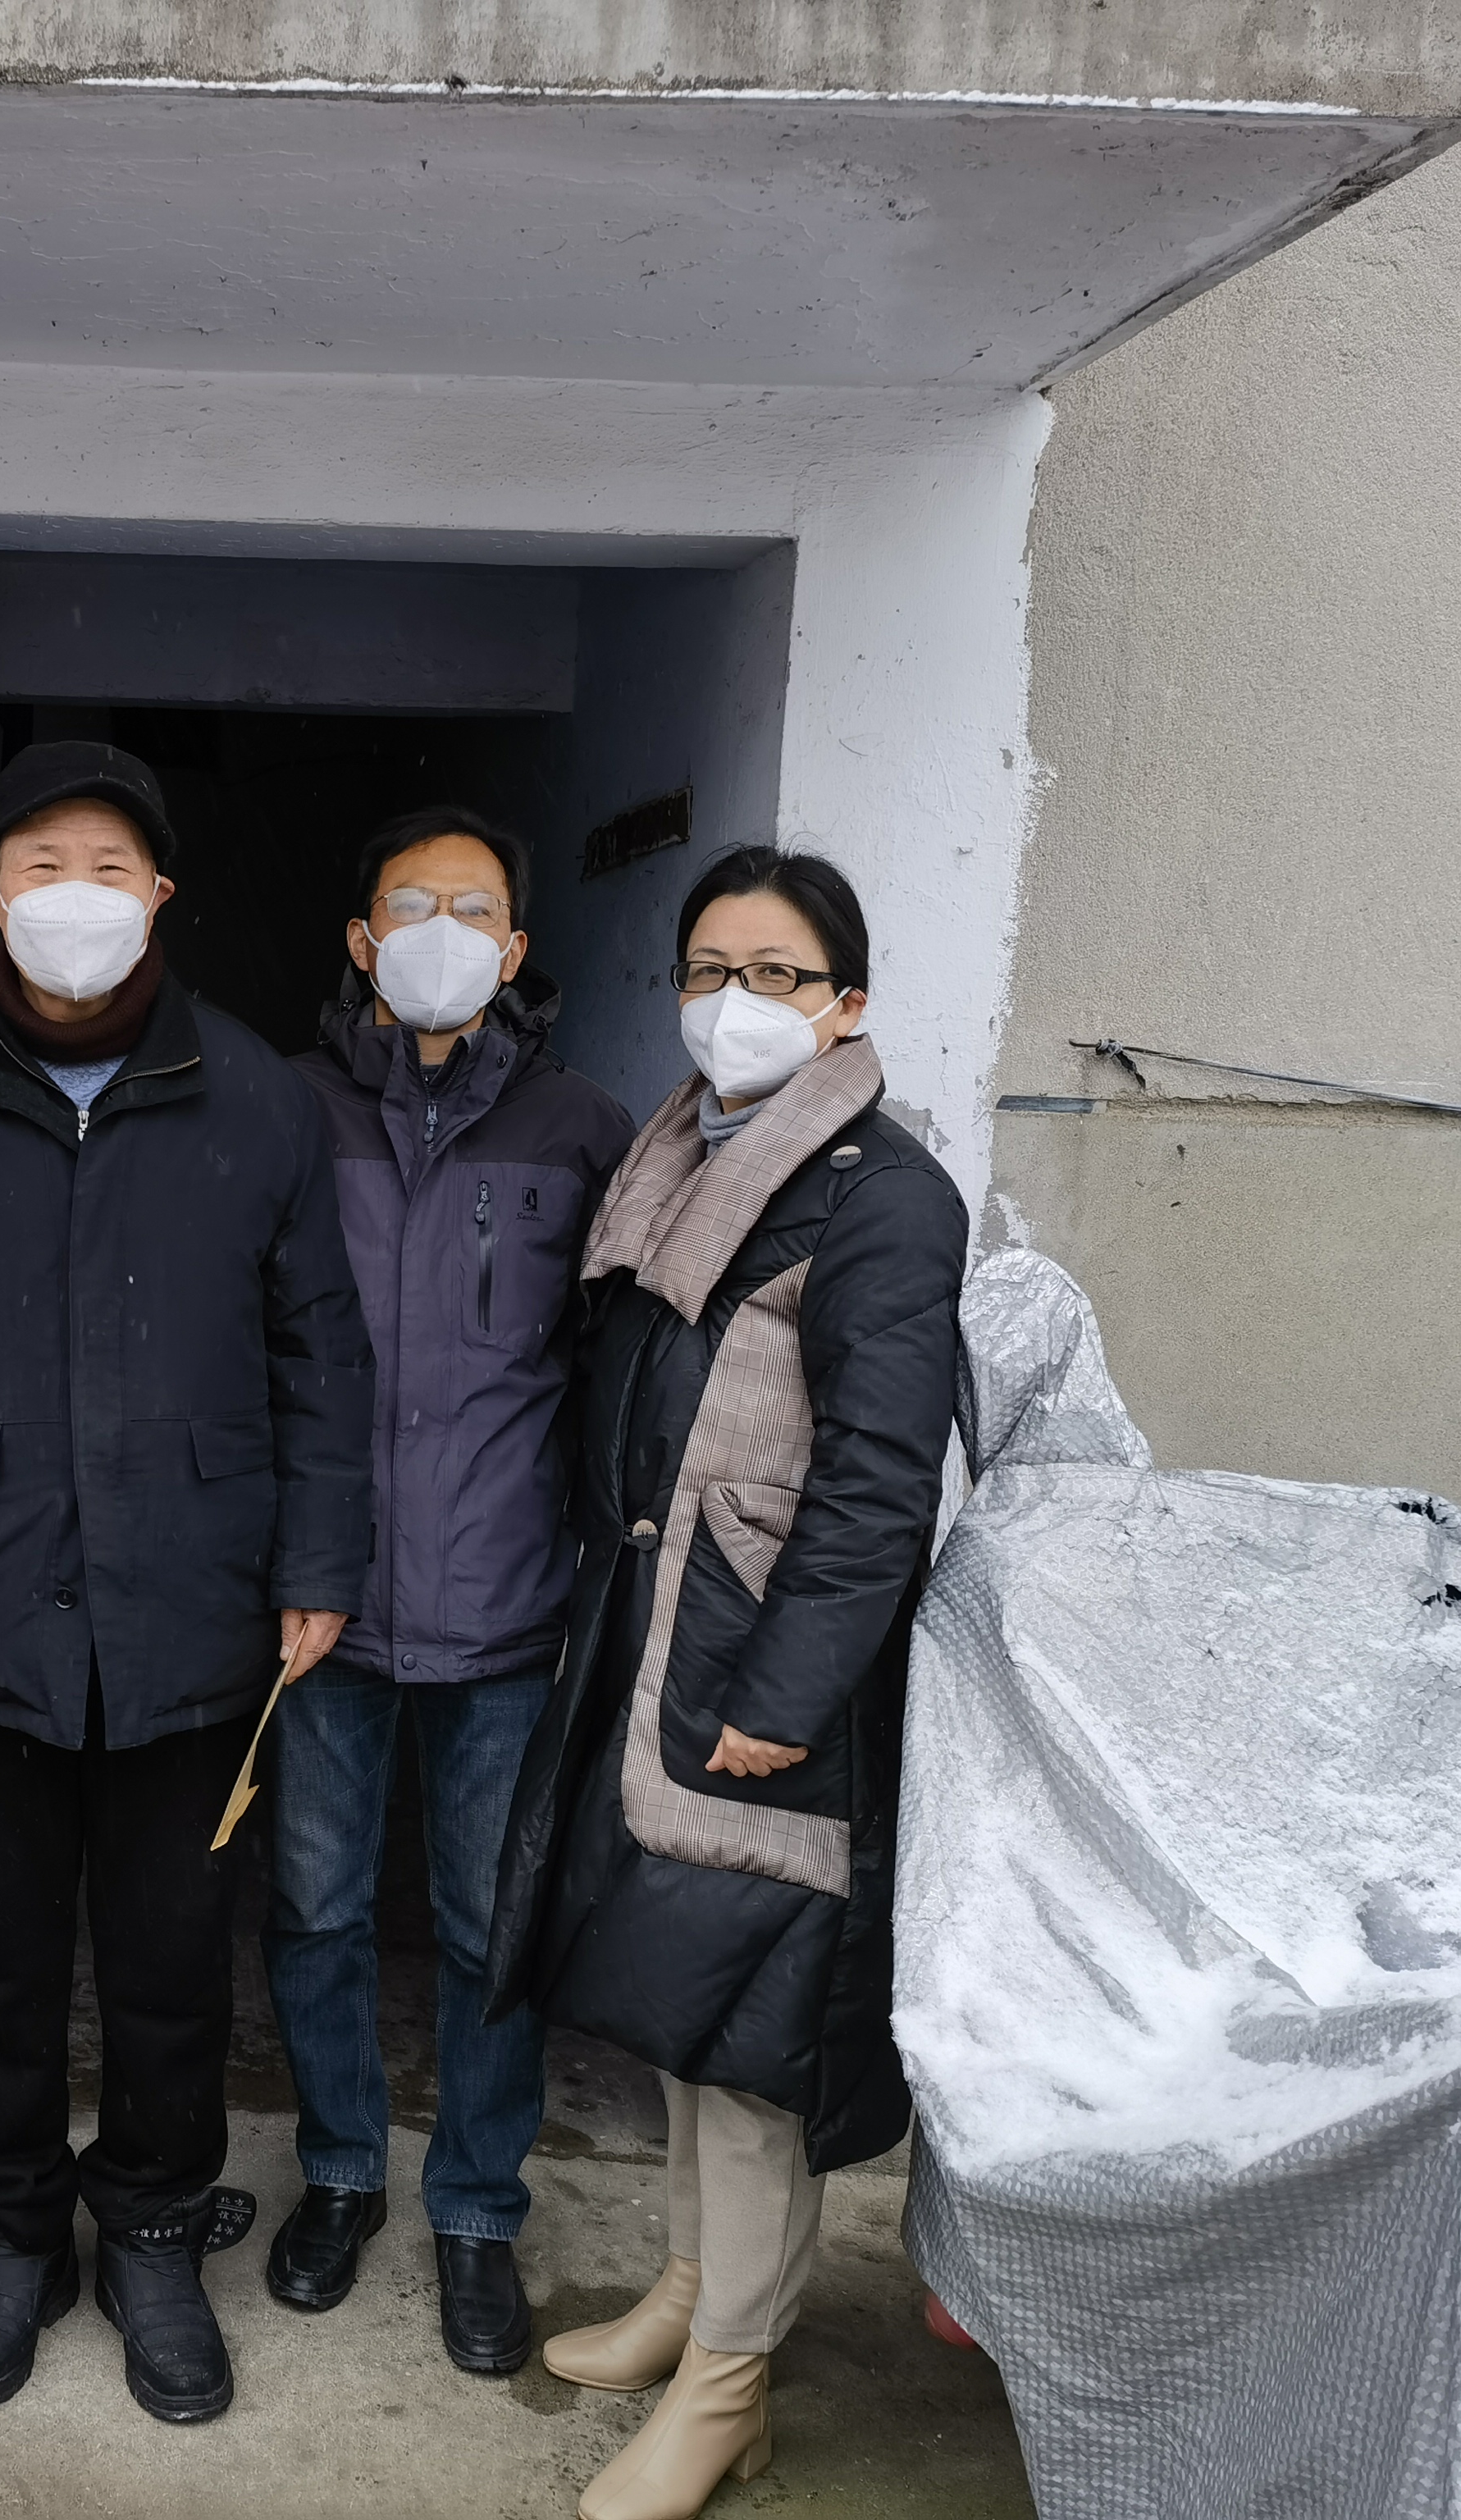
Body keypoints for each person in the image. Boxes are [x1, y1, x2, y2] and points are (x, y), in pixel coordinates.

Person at [0, 741, 374, 2428]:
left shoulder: (257, 1098)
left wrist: (320, 1558)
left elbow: (321, 1354)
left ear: (160, 895)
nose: (74, 899)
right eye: (41, 866)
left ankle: (157, 2237)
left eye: (108, 869)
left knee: (174, 1960)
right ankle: (11, 2240)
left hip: (197, 1602)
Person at [485, 845, 967, 2520]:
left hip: (763, 1675)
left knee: (754, 2035)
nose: (733, 1002)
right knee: (683, 2003)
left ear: (846, 1003)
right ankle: (692, 2297)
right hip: (659, 1635)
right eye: (708, 970)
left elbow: (879, 1483)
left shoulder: (881, 1196)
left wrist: (787, 1688)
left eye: (776, 974)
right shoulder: (686, 1154)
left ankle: (731, 2390)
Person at [267, 807, 636, 2374]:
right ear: (362, 941)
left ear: (515, 947)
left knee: (493, 1927)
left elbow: (615, 1373)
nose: (438, 932)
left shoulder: (584, 1130)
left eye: (470, 909)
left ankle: (478, 2210)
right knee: (317, 1909)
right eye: (407, 905)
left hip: (504, 1606)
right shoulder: (285, 1112)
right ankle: (342, 2174)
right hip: (323, 1602)